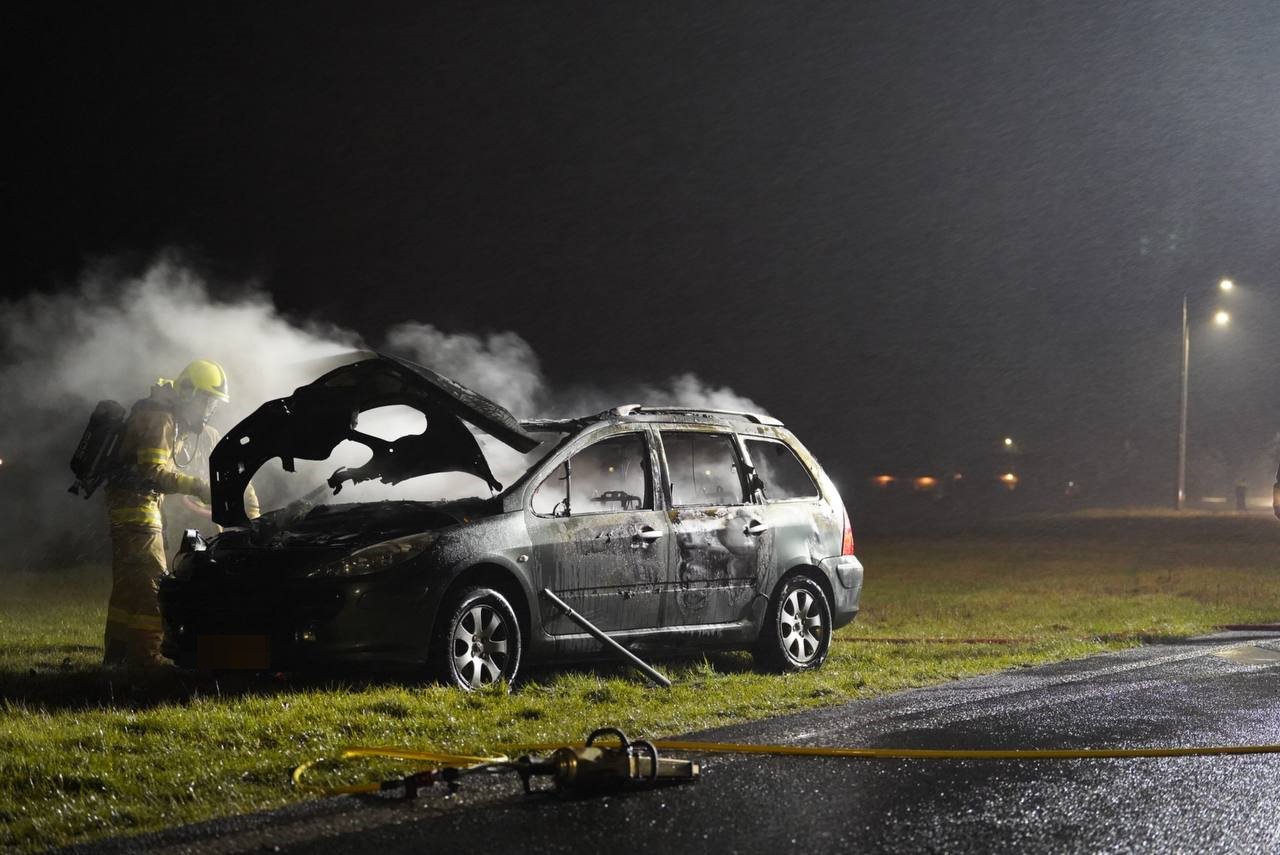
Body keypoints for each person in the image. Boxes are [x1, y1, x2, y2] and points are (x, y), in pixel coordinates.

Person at [102, 359, 233, 667]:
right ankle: (148, 657)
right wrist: (199, 487)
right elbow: (153, 472)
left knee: (128, 586)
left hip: (134, 506)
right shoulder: (159, 418)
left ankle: (116, 657)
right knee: (152, 581)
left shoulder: (164, 415)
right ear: (188, 393)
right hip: (137, 509)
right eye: (207, 401)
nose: (208, 410)